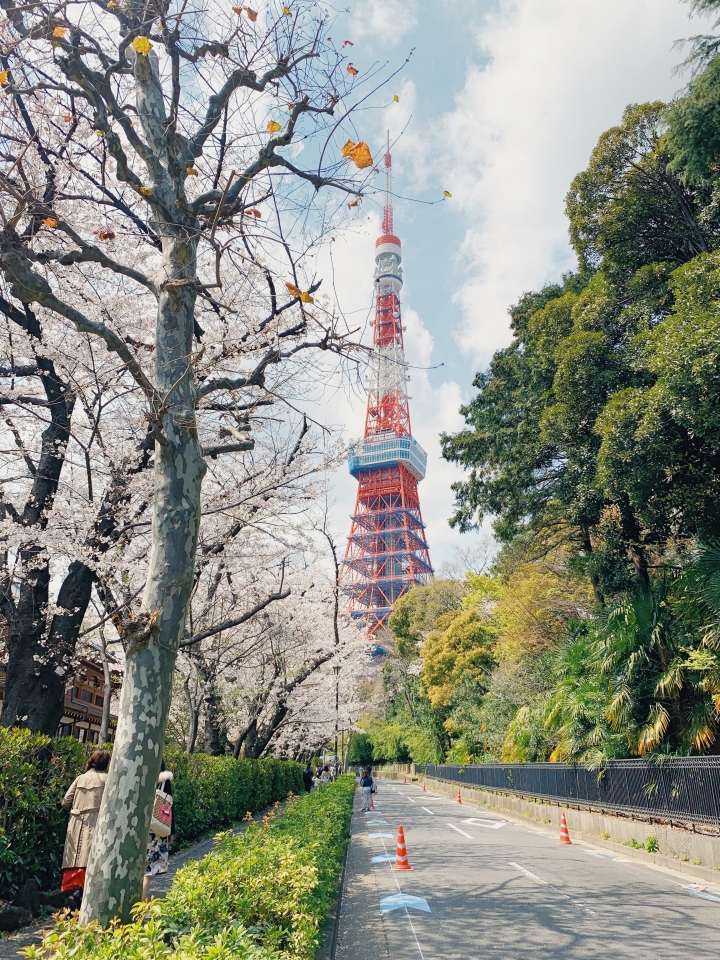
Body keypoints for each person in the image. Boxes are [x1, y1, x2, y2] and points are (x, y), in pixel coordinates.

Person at [61, 749, 110, 895]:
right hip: (96, 824)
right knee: (91, 859)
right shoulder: (108, 779)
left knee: (73, 858)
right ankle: (84, 894)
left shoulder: (80, 778)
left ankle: (70, 893)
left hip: (75, 824)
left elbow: (65, 801)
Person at [142, 765, 174, 900]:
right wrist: (171, 831)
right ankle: (140, 906)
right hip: (155, 830)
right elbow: (170, 808)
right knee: (147, 872)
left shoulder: (139, 776)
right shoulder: (164, 782)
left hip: (137, 827)